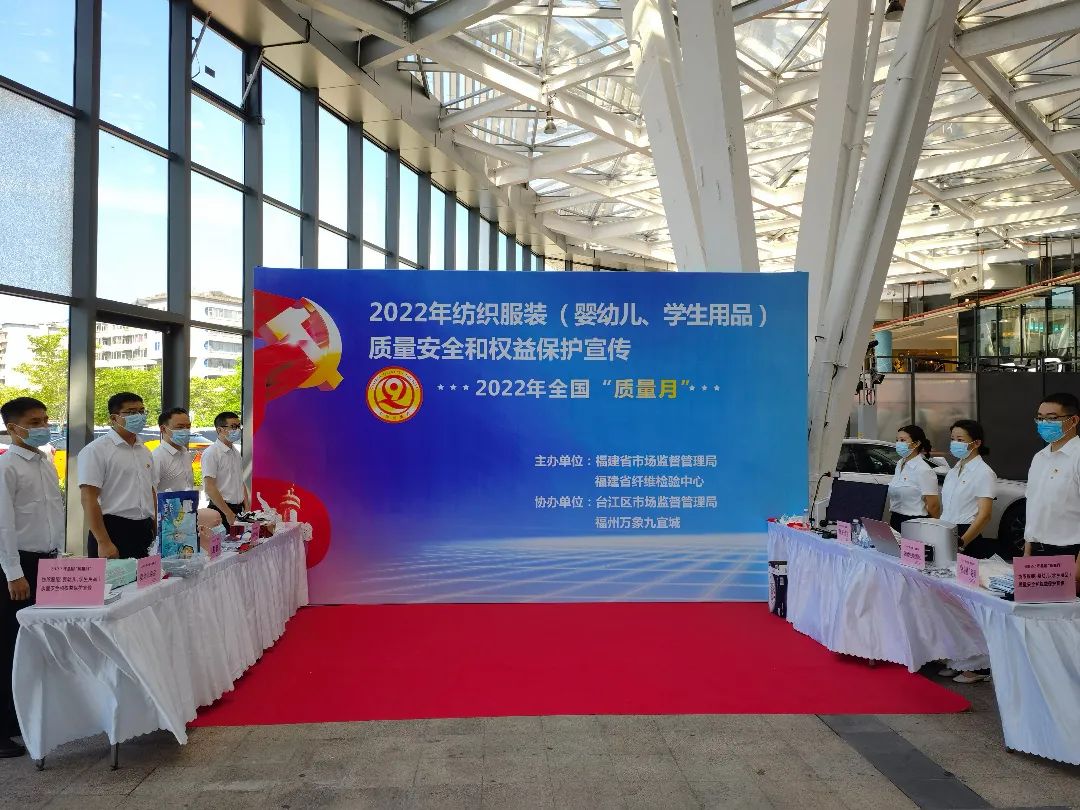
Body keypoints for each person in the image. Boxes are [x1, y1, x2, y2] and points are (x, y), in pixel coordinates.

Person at [0, 397, 64, 758]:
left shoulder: (44, 461)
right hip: (18, 566)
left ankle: (23, 717)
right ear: (13, 428)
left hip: (47, 561)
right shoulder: (6, 467)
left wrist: (60, 554)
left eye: (45, 419)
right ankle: (2, 727)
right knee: (9, 645)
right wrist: (14, 572)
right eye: (35, 422)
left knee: (36, 643)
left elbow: (53, 512)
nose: (44, 426)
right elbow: (3, 524)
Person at [939, 419, 996, 684]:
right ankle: (958, 659)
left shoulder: (983, 472)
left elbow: (984, 515)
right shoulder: (955, 470)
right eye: (953, 438)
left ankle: (980, 666)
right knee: (950, 603)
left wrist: (962, 542)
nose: (955, 443)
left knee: (969, 604)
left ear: (977, 443)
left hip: (966, 538)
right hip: (947, 532)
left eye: (961, 439)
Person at [78, 392, 155, 559]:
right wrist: (103, 542)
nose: (139, 416)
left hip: (144, 529)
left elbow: (150, 490)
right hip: (112, 530)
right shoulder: (96, 450)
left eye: (142, 411)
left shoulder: (145, 450)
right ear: (114, 418)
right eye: (131, 412)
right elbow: (88, 498)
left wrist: (156, 528)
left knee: (147, 576)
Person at [1024, 393, 1080, 571]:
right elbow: (1033, 507)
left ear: (1073, 420)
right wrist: (1027, 551)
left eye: (1052, 418)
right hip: (1037, 551)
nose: (1044, 423)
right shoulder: (1039, 457)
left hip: (1069, 553)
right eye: (1040, 418)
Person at [888, 425, 941, 532]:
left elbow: (934, 505)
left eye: (902, 440)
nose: (898, 443)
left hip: (915, 523)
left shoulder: (923, 470)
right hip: (896, 519)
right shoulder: (900, 464)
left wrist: (933, 530)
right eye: (897, 440)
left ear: (916, 443)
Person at [201, 411, 248, 526]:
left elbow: (240, 482)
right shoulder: (211, 453)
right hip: (221, 510)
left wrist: (247, 507)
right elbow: (209, 487)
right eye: (233, 426)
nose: (237, 430)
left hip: (238, 509)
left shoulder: (235, 452)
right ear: (220, 430)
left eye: (238, 426)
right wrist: (227, 512)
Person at [153, 407, 195, 493]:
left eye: (188, 427)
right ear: (163, 429)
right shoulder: (156, 457)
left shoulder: (186, 454)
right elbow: (150, 491)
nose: (185, 430)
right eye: (180, 427)